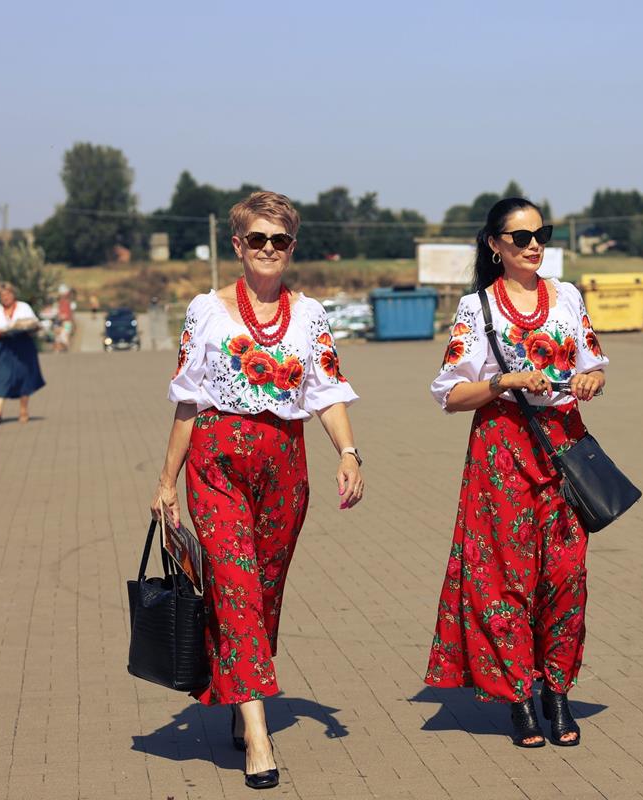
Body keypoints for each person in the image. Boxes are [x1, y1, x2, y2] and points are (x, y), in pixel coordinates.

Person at [151, 191, 363, 791]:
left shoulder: (309, 315)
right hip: (217, 462)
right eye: (258, 239)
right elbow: (188, 400)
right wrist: (167, 482)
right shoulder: (207, 311)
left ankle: (238, 688)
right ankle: (259, 736)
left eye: (280, 240)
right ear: (238, 245)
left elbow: (326, 391)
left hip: (284, 465)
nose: (269, 249)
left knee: (263, 591)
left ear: (292, 246)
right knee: (236, 585)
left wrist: (348, 452)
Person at [424, 197, 608, 748]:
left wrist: (590, 381)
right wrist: (506, 381)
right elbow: (451, 394)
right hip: (502, 452)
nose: (534, 246)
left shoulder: (567, 297)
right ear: (494, 244)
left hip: (564, 447)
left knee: (566, 578)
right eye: (520, 237)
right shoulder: (476, 307)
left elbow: (594, 365)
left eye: (541, 235)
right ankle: (520, 698)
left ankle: (558, 691)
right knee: (506, 579)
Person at [0, 282, 45, 423]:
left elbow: (34, 325)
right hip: (3, 346)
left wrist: (27, 327)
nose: (6, 297)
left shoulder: (24, 307)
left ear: (13, 294)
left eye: (8, 294)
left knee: (24, 376)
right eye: (2, 295)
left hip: (22, 345)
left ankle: (23, 410)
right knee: (0, 375)